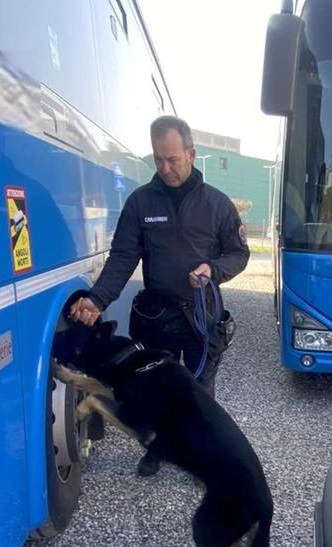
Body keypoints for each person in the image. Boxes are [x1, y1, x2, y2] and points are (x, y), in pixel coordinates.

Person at [69, 116, 249, 475]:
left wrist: (212, 269)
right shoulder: (140, 203)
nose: (166, 168)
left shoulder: (217, 204)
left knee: (199, 393)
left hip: (201, 317)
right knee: (154, 389)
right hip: (156, 317)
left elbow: (238, 254)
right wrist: (97, 299)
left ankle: (202, 455)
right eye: (159, 160)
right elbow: (122, 258)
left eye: (173, 159)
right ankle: (158, 448)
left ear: (191, 154)